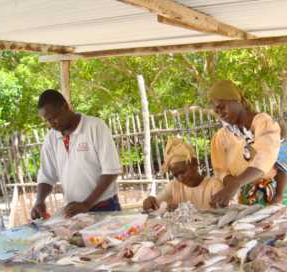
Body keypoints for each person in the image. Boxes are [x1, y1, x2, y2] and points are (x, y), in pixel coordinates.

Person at [30, 89, 122, 219]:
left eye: (54, 117)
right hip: (74, 211)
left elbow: (110, 171)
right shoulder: (51, 138)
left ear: (65, 106)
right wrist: (39, 201)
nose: (52, 124)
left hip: (105, 207)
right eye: (47, 120)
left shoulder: (95, 126)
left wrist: (86, 204)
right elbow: (46, 176)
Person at [209, 79, 282, 208]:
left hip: (274, 196)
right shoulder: (221, 137)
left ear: (236, 100)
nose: (221, 114)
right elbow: (220, 170)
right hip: (244, 199)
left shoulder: (263, 123)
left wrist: (236, 184)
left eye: (222, 107)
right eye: (217, 111)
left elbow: (264, 157)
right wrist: (230, 186)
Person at [143, 137, 223, 212]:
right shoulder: (174, 186)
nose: (180, 178)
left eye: (182, 172)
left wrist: (181, 209)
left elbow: (222, 213)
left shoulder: (214, 185)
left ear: (195, 164)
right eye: (175, 175)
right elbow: (155, 204)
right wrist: (149, 203)